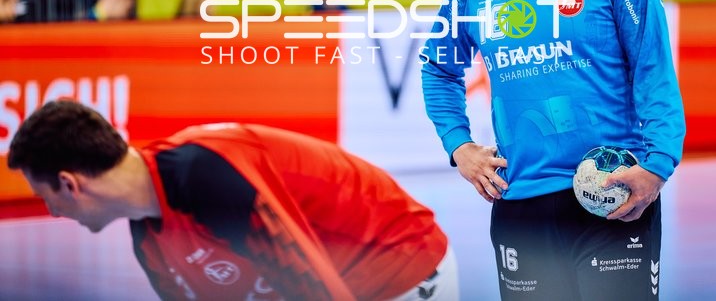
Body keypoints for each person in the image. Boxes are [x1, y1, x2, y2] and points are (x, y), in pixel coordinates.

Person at [420, 0, 685, 300]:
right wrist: (459, 146)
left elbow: (652, 68)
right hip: (520, 204)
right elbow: (439, 69)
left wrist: (658, 165)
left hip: (613, 196)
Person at [8, 100, 457, 301]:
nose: (52, 214)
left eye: (46, 198)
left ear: (70, 184)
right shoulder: (148, 238)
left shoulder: (208, 177)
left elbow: (315, 291)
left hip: (399, 262)